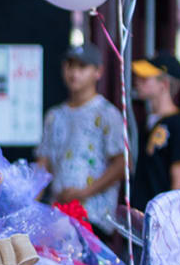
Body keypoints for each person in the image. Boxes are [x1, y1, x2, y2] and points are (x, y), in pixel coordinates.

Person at [36, 47, 128, 232]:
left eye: (82, 67)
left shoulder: (108, 113)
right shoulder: (54, 115)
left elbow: (122, 164)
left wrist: (85, 192)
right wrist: (30, 204)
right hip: (58, 214)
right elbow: (43, 163)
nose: (74, 73)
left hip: (94, 216)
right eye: (70, 66)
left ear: (98, 71)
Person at [129, 57, 180, 212]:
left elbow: (179, 180)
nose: (137, 81)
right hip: (143, 213)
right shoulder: (149, 122)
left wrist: (169, 218)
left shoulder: (178, 125)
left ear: (164, 84)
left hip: (161, 219)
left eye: (145, 79)